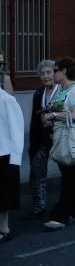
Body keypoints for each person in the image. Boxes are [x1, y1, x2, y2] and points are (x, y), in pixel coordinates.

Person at [44, 58, 75, 231]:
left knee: (70, 179)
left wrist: (53, 116)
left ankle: (60, 216)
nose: (53, 73)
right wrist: (51, 119)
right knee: (73, 178)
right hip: (64, 137)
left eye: (55, 70)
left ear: (64, 71)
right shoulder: (62, 90)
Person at [28, 60, 58, 217]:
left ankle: (70, 203)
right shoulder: (38, 93)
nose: (46, 76)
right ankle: (39, 204)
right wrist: (32, 142)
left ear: (55, 73)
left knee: (68, 171)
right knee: (37, 171)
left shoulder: (62, 91)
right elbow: (34, 119)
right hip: (42, 139)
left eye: (49, 72)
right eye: (42, 73)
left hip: (60, 137)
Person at [0, 87, 23, 242]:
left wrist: (15, 158)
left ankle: (4, 227)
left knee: (3, 194)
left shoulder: (7, 100)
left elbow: (17, 131)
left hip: (4, 152)